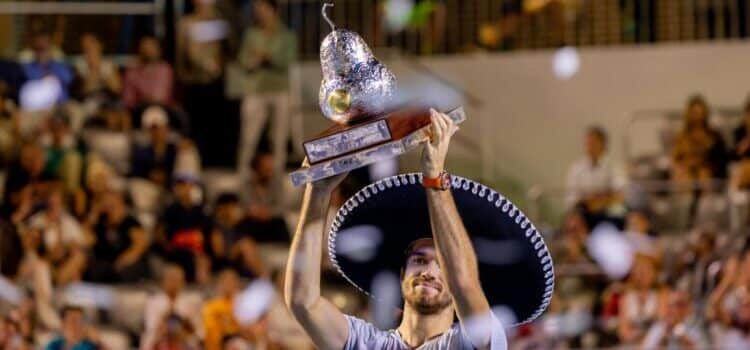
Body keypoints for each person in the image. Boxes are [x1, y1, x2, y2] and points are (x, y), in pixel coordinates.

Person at [285, 111, 521, 349]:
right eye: (420, 260)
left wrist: (435, 177)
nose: (429, 271)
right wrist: (319, 192)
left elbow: (463, 282)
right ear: (401, 275)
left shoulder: (475, 341)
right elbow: (302, 302)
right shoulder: (368, 343)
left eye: (443, 266)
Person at [236, 0, 297, 184]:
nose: (259, 13)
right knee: (249, 138)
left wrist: (267, 56)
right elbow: (243, 61)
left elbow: (287, 61)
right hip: (255, 91)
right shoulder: (251, 35)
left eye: (262, 9)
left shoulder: (287, 35)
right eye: (256, 9)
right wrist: (255, 60)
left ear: (273, 10)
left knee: (278, 140)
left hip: (279, 91)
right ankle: (243, 178)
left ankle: (276, 182)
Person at [565, 126, 626, 226]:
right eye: (588, 143)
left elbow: (620, 192)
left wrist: (601, 201)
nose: (590, 146)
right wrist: (589, 202)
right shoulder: (576, 169)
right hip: (583, 212)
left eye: (594, 143)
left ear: (603, 145)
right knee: (575, 217)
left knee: (619, 214)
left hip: (606, 211)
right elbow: (571, 199)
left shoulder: (613, 167)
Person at [83, 190, 150, 283]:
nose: (110, 207)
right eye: (106, 203)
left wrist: (123, 260)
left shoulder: (130, 222)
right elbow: (86, 239)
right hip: (107, 264)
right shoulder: (101, 222)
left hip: (127, 262)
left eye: (113, 204)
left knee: (122, 273)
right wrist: (94, 213)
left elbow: (140, 246)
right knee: (93, 270)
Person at [156, 174, 210, 283]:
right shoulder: (170, 210)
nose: (184, 190)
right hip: (176, 249)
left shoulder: (199, 210)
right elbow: (160, 232)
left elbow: (204, 232)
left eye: (187, 186)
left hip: (196, 247)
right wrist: (167, 246)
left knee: (202, 259)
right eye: (180, 186)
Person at [141, 264, 204, 350]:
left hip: (184, 341)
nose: (173, 283)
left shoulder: (190, 303)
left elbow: (199, 330)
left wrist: (185, 327)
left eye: (177, 280)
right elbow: (152, 327)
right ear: (163, 282)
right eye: (170, 279)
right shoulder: (153, 302)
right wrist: (166, 318)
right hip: (160, 340)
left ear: (183, 282)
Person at [671, 95, 727, 185]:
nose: (698, 117)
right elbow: (675, 158)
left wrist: (701, 162)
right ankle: (685, 198)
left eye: (701, 113)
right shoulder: (682, 136)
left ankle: (706, 198)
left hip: (706, 169)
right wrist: (686, 164)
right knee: (683, 175)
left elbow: (718, 158)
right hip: (686, 169)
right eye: (695, 113)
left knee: (703, 174)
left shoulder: (713, 135)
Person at [207, 193, 266, 277]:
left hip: (240, 264)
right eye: (231, 207)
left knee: (247, 244)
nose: (234, 211)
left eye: (234, 207)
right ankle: (264, 278)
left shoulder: (240, 226)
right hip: (223, 265)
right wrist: (237, 248)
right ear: (222, 209)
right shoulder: (215, 228)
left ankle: (262, 276)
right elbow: (219, 254)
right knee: (245, 244)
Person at [239, 152, 290, 243]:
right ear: (257, 168)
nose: (269, 171)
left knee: (280, 222)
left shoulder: (276, 184)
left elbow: (281, 207)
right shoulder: (246, 185)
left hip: (271, 220)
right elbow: (244, 205)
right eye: (266, 168)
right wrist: (255, 211)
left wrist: (268, 212)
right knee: (244, 224)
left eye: (270, 168)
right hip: (253, 221)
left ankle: (286, 249)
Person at [640, 288, 706, 349]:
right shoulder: (659, 327)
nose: (673, 309)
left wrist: (679, 332)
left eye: (679, 305)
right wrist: (664, 337)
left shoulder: (696, 327)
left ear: (688, 308)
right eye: (671, 305)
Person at [122, 37, 175, 110]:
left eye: (152, 46)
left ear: (158, 49)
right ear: (139, 49)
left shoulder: (165, 70)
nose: (148, 50)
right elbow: (128, 100)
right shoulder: (131, 72)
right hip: (139, 110)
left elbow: (160, 97)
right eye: (145, 47)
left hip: (164, 110)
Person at [20, 32, 73, 103]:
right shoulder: (27, 68)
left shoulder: (60, 66)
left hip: (60, 106)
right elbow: (28, 83)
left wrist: (52, 76)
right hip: (37, 107)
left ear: (50, 48)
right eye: (39, 48)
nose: (42, 53)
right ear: (34, 50)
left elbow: (68, 79)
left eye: (44, 48)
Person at [72, 33, 121, 100]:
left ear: (99, 45)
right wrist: (94, 70)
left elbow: (117, 89)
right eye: (85, 45)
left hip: (106, 101)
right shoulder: (79, 65)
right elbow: (82, 91)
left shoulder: (108, 65)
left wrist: (99, 69)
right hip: (87, 101)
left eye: (91, 43)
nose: (88, 47)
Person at [202, 269, 242, 350]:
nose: (229, 285)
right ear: (220, 284)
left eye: (232, 281)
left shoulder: (242, 305)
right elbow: (210, 330)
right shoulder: (211, 306)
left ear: (237, 284)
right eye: (226, 281)